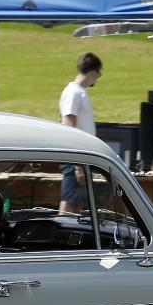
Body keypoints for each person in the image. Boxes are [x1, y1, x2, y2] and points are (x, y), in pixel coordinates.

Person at [58, 51, 102, 213]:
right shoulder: (73, 92)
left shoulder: (79, 92)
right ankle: (60, 234)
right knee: (70, 202)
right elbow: (70, 126)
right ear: (92, 72)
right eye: (98, 75)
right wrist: (77, 165)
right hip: (76, 158)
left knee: (77, 203)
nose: (96, 79)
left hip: (81, 157)